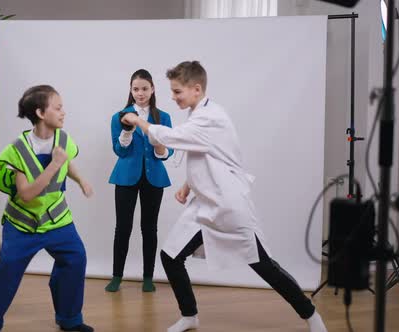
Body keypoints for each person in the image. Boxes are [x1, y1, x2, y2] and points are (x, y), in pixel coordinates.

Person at [121, 61, 328, 332]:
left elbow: (173, 138)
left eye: (177, 92)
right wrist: (188, 184)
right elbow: (211, 154)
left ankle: (312, 316)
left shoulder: (211, 117)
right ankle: (189, 315)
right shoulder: (199, 112)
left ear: (196, 89)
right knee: (170, 256)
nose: (172, 97)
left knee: (262, 264)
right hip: (204, 203)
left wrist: (138, 120)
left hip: (228, 203)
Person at [0, 85, 95, 332]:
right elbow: (28, 194)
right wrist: (54, 164)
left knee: (75, 259)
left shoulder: (63, 138)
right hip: (23, 225)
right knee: (8, 270)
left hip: (58, 220)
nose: (64, 112)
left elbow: (67, 163)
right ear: (41, 113)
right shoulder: (18, 150)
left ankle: (70, 319)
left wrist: (81, 180)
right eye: (58, 107)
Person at [106, 69, 174, 292]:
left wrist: (159, 145)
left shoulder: (163, 117)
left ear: (152, 89)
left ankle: (148, 277)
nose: (140, 93)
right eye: (136, 89)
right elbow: (119, 151)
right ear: (131, 90)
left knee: (150, 228)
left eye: (145, 88)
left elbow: (168, 152)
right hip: (126, 177)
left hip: (154, 178)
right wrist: (126, 133)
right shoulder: (120, 116)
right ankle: (117, 276)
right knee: (122, 228)